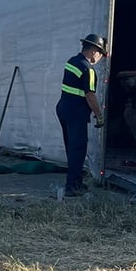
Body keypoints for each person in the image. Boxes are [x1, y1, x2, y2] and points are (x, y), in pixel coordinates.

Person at [56, 33, 108, 197]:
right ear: (93, 50)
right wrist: (99, 115)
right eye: (100, 53)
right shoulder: (88, 69)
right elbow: (90, 95)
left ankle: (76, 181)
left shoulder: (72, 62)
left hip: (63, 109)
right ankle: (72, 186)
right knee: (78, 149)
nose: (100, 57)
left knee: (71, 148)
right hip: (76, 113)